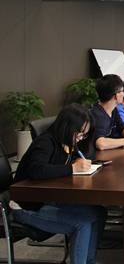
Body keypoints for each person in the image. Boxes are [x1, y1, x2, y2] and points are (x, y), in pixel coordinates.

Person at [11, 103, 108, 264]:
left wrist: (83, 148)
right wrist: (72, 168)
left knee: (99, 214)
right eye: (79, 133)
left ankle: (89, 261)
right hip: (28, 205)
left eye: (84, 134)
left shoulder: (68, 142)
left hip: (52, 198)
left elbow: (88, 156)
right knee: (82, 225)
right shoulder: (46, 141)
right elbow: (37, 170)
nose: (80, 138)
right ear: (67, 126)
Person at [90, 74, 124, 150]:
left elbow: (122, 128)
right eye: (123, 91)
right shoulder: (97, 115)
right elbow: (101, 144)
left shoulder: (113, 110)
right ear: (117, 96)